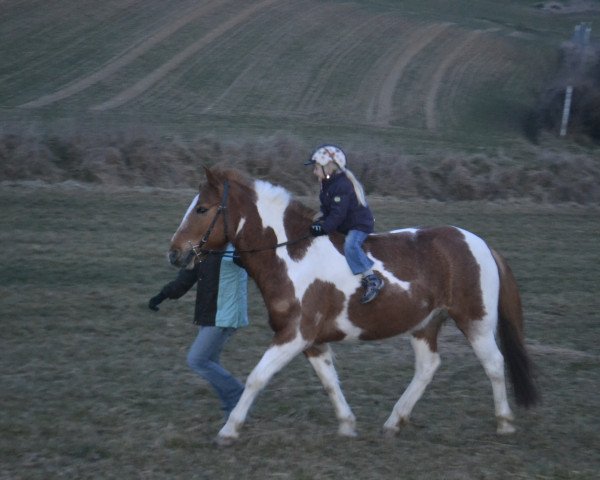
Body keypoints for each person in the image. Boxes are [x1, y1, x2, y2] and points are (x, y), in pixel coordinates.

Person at [148, 245, 248, 418]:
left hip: (226, 314)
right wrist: (161, 296)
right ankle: (232, 411)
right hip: (209, 313)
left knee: (197, 360)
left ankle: (239, 395)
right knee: (211, 362)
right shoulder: (202, 250)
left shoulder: (235, 247)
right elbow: (186, 279)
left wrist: (243, 260)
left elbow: (255, 266)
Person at [305, 144, 384, 304]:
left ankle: (372, 278)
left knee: (350, 246)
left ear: (329, 168)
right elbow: (328, 210)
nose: (314, 172)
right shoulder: (327, 184)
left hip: (358, 225)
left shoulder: (342, 186)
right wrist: (320, 222)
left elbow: (338, 215)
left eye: (316, 168)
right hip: (344, 224)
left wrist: (324, 227)